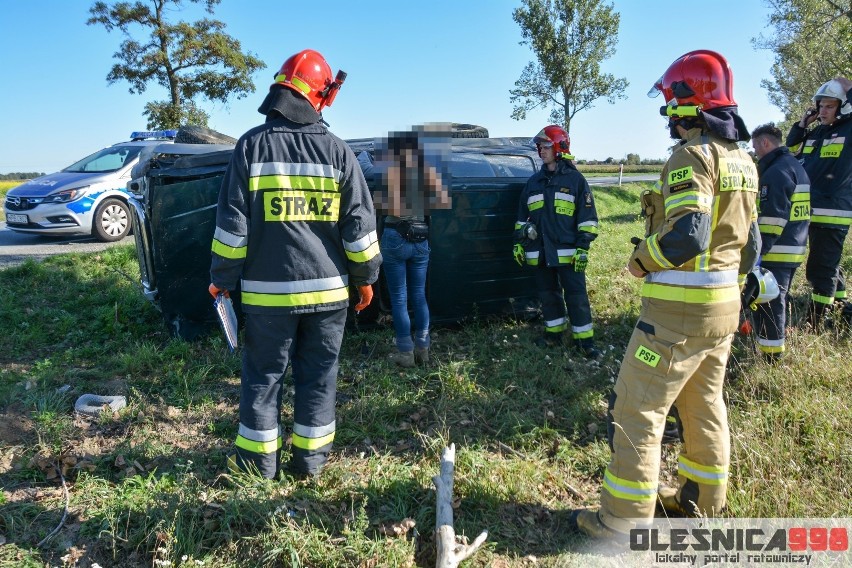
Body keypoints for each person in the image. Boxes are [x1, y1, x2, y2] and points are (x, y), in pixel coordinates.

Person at [572, 50, 760, 537]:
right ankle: (700, 500)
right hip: (723, 310)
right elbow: (751, 243)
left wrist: (641, 260)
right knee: (704, 404)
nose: (666, 117)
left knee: (637, 407)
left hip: (677, 315)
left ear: (687, 103)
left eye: (669, 104)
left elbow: (689, 235)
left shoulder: (692, 156)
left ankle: (621, 520)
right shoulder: (743, 160)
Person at [208, 49, 381, 479]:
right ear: (319, 97)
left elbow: (232, 227)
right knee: (319, 379)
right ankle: (310, 468)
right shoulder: (340, 154)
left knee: (263, 379)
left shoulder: (250, 146)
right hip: (329, 299)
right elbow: (359, 229)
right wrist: (365, 281)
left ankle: (257, 468)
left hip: (268, 299)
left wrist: (221, 280)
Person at [514, 125, 602, 360]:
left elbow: (588, 219)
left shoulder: (575, 180)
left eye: (545, 146)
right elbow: (522, 217)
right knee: (548, 295)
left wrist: (583, 247)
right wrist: (520, 240)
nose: (540, 151)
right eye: (539, 147)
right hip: (541, 253)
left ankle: (585, 342)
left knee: (576, 297)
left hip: (569, 253)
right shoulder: (534, 182)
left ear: (560, 148)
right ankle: (553, 335)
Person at [370, 129, 451, 367]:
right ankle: (423, 348)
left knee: (398, 298)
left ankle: (405, 352)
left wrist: (369, 154)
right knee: (419, 296)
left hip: (395, 237)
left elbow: (365, 167)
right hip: (420, 238)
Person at [786, 77, 852, 330]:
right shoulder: (817, 133)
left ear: (843, 107)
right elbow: (790, 148)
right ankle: (840, 312)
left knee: (819, 271)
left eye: (829, 106)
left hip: (833, 212)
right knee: (829, 266)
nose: (822, 111)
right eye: (820, 106)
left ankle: (814, 323)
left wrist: (849, 89)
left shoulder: (848, 130)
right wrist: (802, 124)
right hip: (813, 211)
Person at [748, 123, 810, 360]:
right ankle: (769, 348)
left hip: (777, 250)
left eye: (755, 147)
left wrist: (758, 252)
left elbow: (772, 218)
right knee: (776, 300)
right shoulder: (795, 165)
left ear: (765, 143)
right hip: (793, 245)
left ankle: (771, 357)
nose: (755, 152)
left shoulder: (776, 171)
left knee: (770, 303)